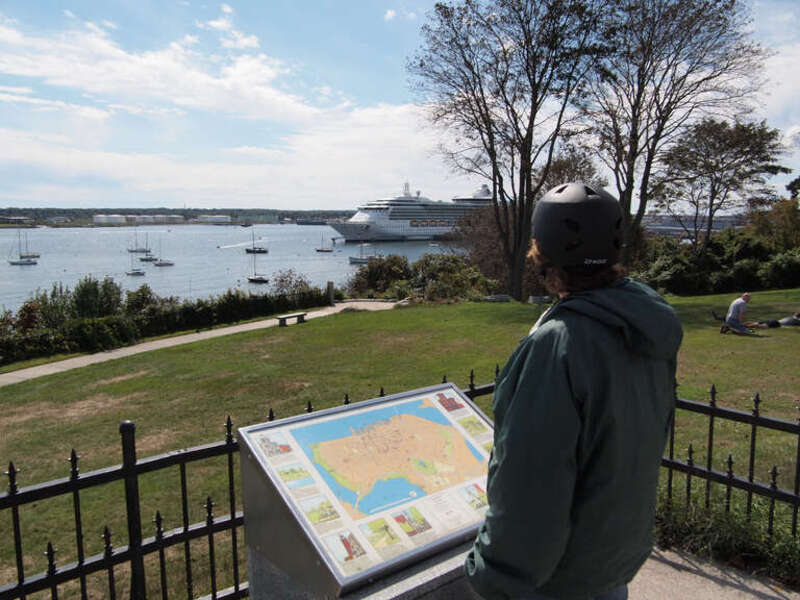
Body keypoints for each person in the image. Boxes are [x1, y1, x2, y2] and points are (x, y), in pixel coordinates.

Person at [465, 182, 683, 600]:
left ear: (543, 255)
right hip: (612, 561)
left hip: (559, 580)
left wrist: (493, 574)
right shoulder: (643, 323)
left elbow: (532, 484)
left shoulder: (559, 345)